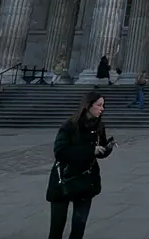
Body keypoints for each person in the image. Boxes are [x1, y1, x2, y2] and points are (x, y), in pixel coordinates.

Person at [47, 91, 113, 239]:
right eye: (99, 105)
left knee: (79, 227)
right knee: (56, 229)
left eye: (103, 105)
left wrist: (106, 149)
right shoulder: (70, 126)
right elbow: (60, 152)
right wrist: (90, 150)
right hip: (64, 179)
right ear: (88, 106)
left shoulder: (99, 126)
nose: (102, 109)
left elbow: (98, 152)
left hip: (85, 182)